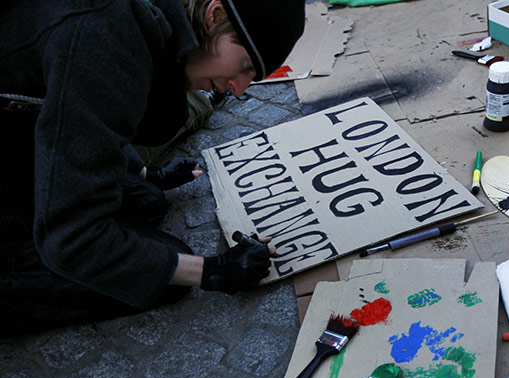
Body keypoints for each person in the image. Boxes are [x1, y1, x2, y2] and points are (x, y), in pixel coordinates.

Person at [0, 0, 306, 334]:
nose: (240, 88)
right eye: (245, 64)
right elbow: (72, 238)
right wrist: (211, 270)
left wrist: (144, 172)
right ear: (214, 15)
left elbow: (80, 116)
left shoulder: (139, 22)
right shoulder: (103, 37)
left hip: (19, 124)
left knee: (147, 200)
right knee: (164, 275)